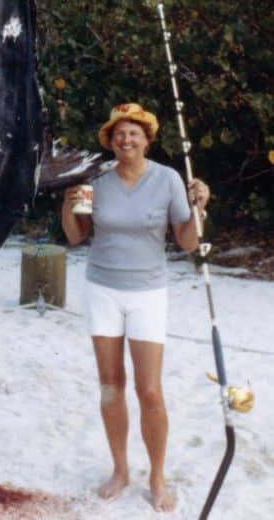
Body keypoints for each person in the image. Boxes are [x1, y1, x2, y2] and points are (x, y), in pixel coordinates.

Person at [61, 103, 210, 513]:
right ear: (109, 140)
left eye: (134, 133)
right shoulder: (95, 178)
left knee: (150, 392)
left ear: (147, 138)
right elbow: (76, 236)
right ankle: (120, 469)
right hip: (102, 290)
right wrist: (68, 202)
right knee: (111, 386)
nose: (126, 140)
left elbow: (187, 243)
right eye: (119, 134)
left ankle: (157, 476)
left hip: (148, 293)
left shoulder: (168, 179)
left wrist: (199, 208)